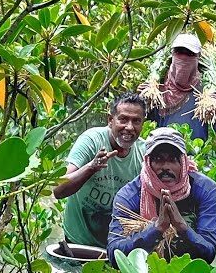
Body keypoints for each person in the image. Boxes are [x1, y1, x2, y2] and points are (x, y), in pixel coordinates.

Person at [107, 126, 216, 263]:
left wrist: (181, 226)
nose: (166, 167)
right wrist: (156, 229)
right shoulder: (129, 196)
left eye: (173, 159)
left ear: (183, 162)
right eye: (158, 159)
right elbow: (114, 254)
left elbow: (209, 252)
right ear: (148, 162)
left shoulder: (205, 190)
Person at [54, 93, 147, 249]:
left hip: (113, 245)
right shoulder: (91, 141)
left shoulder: (144, 153)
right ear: (111, 120)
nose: (129, 127)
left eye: (136, 121)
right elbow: (58, 190)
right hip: (78, 241)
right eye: (123, 119)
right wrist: (91, 167)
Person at [140, 32, 216, 142]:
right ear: (172, 54)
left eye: (189, 54)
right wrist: (140, 101)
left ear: (198, 57)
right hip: (158, 151)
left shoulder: (206, 90)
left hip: (193, 154)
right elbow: (140, 121)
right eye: (179, 52)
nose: (183, 57)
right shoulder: (157, 86)